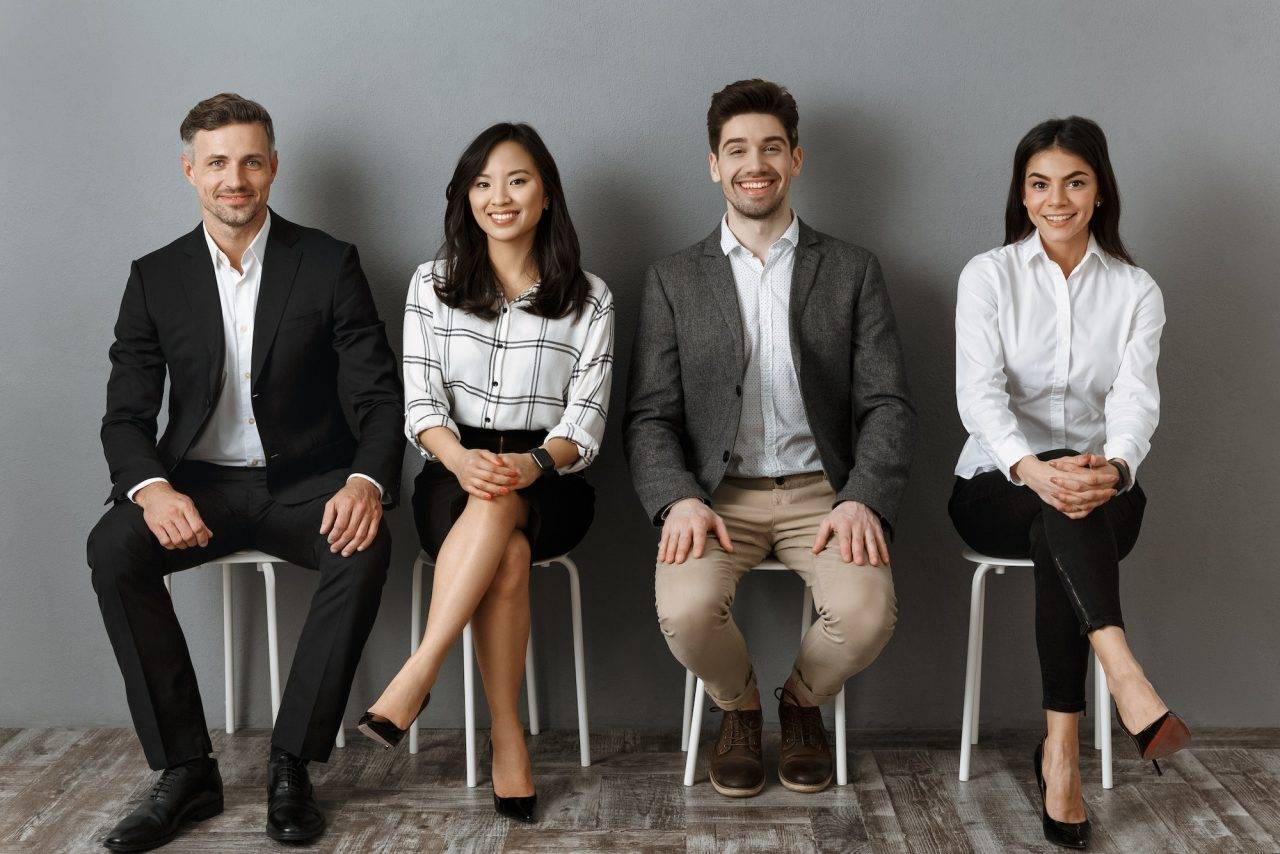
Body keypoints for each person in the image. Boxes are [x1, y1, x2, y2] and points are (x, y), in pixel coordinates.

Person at [86, 94, 404, 850]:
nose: (237, 178)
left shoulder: (328, 262)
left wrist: (366, 481)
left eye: (252, 161)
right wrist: (153, 487)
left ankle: (292, 763)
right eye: (220, 162)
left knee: (365, 547)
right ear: (190, 170)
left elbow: (379, 396)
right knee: (112, 550)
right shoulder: (155, 277)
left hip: (305, 486)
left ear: (273, 168)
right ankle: (186, 771)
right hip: (196, 489)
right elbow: (126, 414)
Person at [624, 79, 916, 798]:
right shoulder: (672, 279)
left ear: (796, 159)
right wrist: (677, 501)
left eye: (771, 148)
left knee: (867, 614)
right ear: (714, 166)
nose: (755, 162)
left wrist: (863, 499)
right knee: (687, 614)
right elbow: (650, 416)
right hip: (715, 500)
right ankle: (740, 707)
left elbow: (888, 405)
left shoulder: (851, 269)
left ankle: (802, 702)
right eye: (737, 149)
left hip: (825, 494)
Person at [358, 123, 613, 824]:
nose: (499, 197)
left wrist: (529, 464)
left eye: (517, 180)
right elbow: (419, 402)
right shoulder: (431, 284)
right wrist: (462, 458)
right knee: (506, 551)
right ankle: (508, 737)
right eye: (482, 183)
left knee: (506, 510)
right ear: (465, 197)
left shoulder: (591, 297)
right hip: (452, 466)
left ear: (547, 194)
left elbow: (584, 421)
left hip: (552, 476)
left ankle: (420, 672)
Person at [949, 116, 1191, 850]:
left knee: (1070, 515)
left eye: (1075, 182)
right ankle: (1125, 679)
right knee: (1053, 511)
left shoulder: (1135, 290)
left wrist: (1115, 468)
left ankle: (1061, 754)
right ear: (1022, 196)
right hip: (996, 482)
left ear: (1099, 191)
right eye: (1040, 184)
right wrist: (1031, 467)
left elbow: (1134, 399)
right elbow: (979, 396)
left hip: (1098, 487)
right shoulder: (987, 275)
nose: (1057, 199)